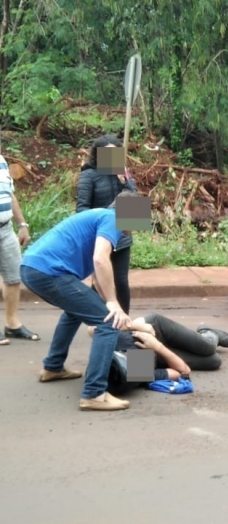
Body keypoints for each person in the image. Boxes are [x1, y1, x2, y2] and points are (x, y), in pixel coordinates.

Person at [20, 190, 141, 411]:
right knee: (108, 322)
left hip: (34, 267)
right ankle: (94, 394)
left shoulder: (102, 216)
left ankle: (53, 367)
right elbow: (100, 259)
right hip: (48, 271)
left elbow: (96, 274)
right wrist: (113, 304)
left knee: (74, 312)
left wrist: (108, 300)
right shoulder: (111, 219)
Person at [76, 135, 138, 314]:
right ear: (97, 155)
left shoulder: (123, 173)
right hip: (100, 237)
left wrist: (124, 182)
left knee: (121, 282)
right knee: (100, 282)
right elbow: (81, 209)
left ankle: (124, 321)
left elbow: (134, 203)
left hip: (122, 237)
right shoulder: (88, 174)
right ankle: (100, 320)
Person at [88, 313, 228, 382]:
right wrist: (157, 347)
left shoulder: (110, 346)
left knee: (207, 348)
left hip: (155, 328)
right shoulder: (136, 373)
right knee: (214, 361)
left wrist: (135, 326)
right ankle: (203, 337)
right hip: (159, 350)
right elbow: (183, 372)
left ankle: (208, 333)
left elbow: (92, 328)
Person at [0, 154, 40, 345]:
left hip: (6, 228)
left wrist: (22, 224)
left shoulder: (1, 161)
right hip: (116, 228)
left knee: (14, 277)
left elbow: (9, 194)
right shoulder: (93, 174)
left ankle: (12, 324)